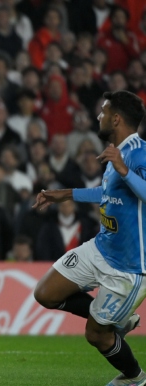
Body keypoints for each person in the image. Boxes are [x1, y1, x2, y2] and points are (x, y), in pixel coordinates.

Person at [33, 91, 146, 386]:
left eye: (104, 111)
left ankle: (133, 378)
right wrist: (66, 194)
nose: (99, 116)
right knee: (45, 293)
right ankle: (119, 320)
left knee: (96, 334)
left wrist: (122, 167)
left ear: (117, 118)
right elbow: (107, 193)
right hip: (100, 248)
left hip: (128, 267)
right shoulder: (115, 153)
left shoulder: (139, 152)